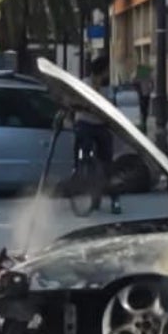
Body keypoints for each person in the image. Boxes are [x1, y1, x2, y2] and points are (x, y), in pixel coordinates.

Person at [74, 54, 121, 214]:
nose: (108, 73)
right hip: (85, 124)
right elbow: (75, 103)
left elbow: (110, 108)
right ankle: (81, 166)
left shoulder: (106, 88)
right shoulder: (84, 85)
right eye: (107, 70)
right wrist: (84, 107)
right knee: (83, 146)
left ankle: (114, 199)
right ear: (101, 71)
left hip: (101, 126)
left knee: (108, 164)